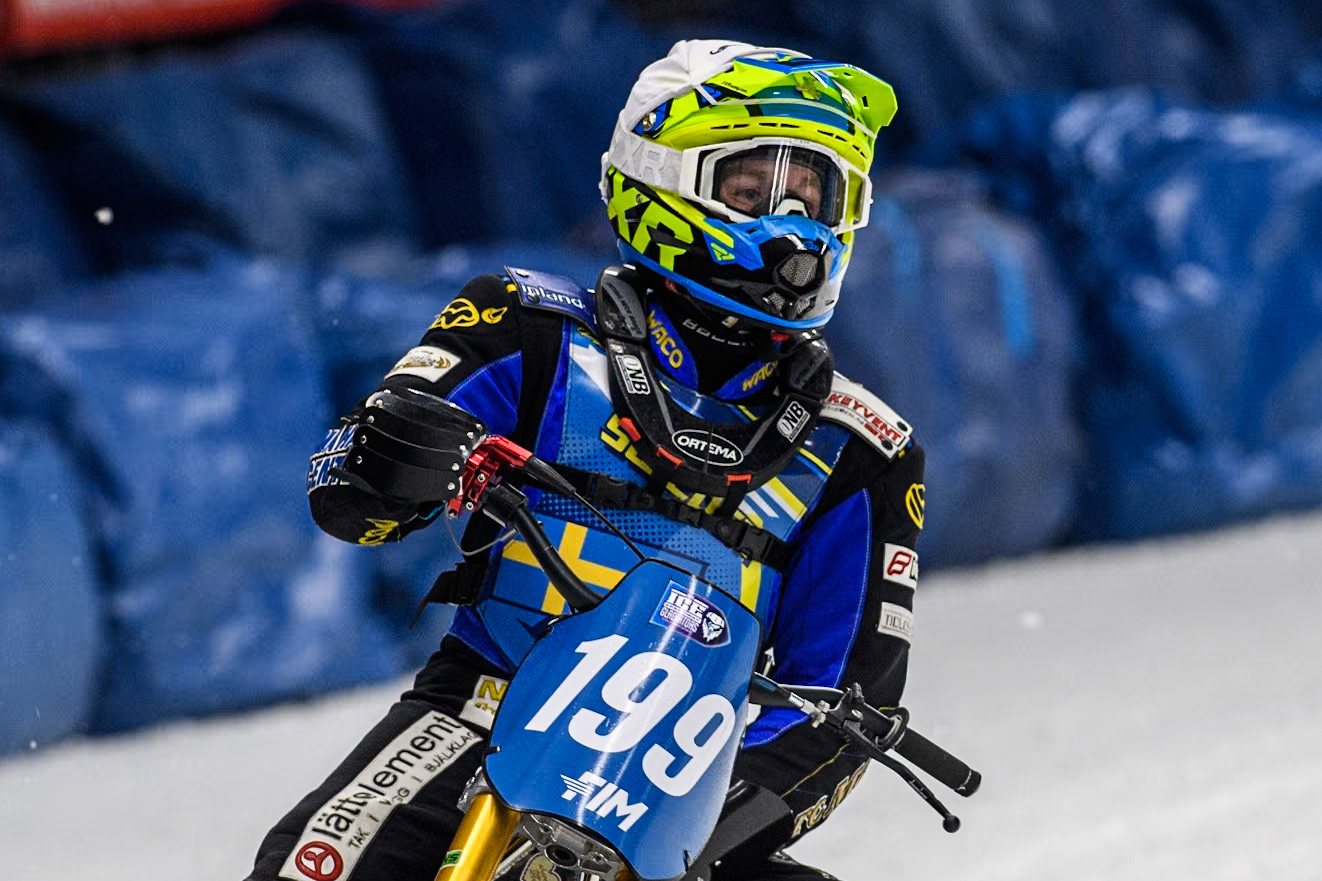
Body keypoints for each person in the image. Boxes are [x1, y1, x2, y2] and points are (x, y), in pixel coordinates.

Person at [246, 39, 923, 881]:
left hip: (685, 789)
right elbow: (351, 497)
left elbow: (849, 703)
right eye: (753, 188)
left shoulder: (864, 449)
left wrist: (682, 843)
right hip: (482, 711)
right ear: (662, 180)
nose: (793, 226)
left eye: (813, 194)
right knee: (309, 868)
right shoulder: (521, 324)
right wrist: (394, 457)